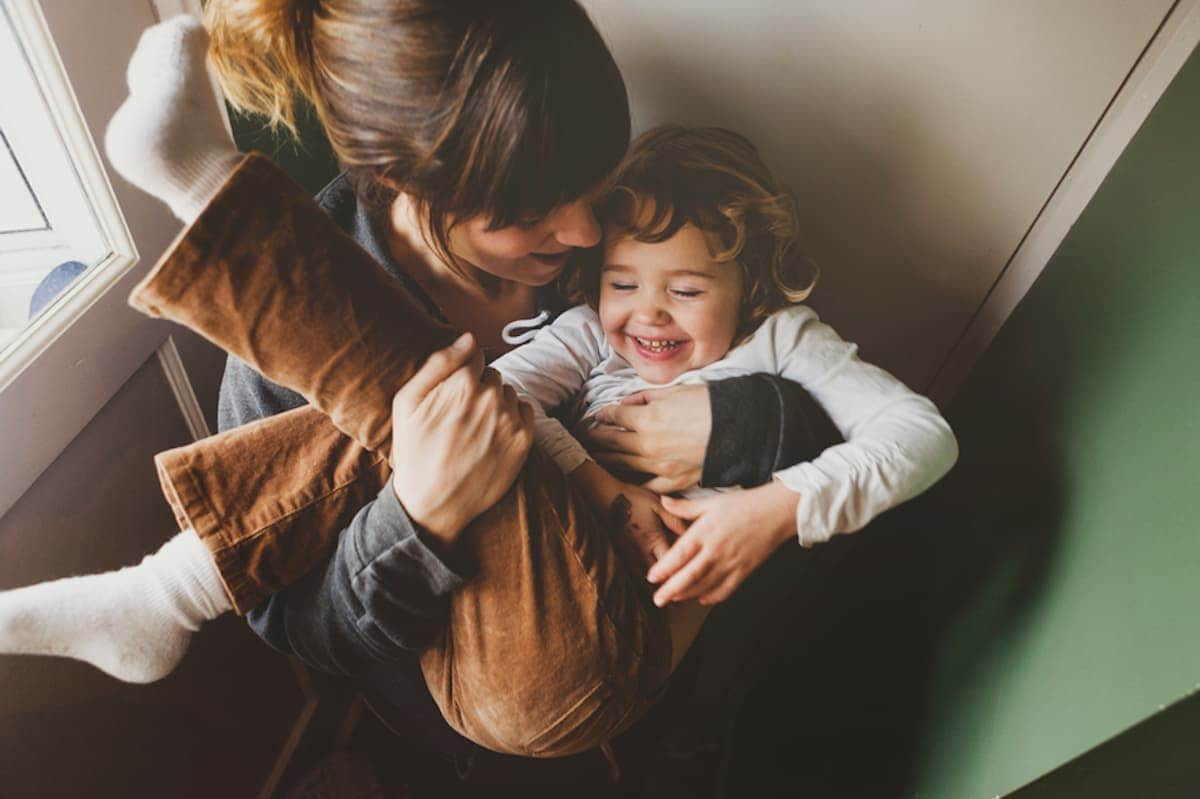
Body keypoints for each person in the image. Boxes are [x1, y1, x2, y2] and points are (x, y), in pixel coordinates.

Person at [0, 5, 845, 758]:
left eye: (596, 181)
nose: (586, 229)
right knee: (415, 394)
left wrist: (729, 424)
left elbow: (820, 397)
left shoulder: (622, 248)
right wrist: (423, 513)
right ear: (404, 183)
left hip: (682, 677)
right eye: (529, 211)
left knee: (405, 382)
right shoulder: (276, 369)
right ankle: (204, 188)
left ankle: (163, 592)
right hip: (517, 694)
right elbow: (307, 631)